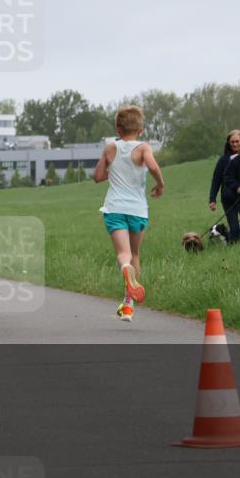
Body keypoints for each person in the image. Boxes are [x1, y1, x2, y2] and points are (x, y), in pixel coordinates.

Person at [93, 105, 165, 323]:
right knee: (135, 254)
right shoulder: (143, 148)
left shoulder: (110, 147)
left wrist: (113, 170)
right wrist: (160, 184)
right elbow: (152, 166)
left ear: (117, 127)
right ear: (140, 129)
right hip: (137, 210)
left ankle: (125, 271)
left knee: (123, 255)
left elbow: (97, 176)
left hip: (114, 207)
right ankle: (128, 305)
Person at [208, 129, 240, 243]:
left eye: (237, 141)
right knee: (234, 227)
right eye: (232, 142)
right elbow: (216, 180)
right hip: (228, 198)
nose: (235, 144)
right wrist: (212, 199)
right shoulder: (223, 160)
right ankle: (234, 248)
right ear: (229, 143)